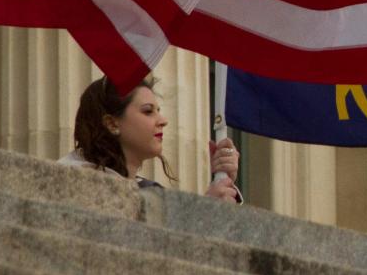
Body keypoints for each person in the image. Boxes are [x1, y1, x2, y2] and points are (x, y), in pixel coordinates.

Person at [58, 76, 241, 203]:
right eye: (148, 111)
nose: (163, 121)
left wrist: (222, 181)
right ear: (112, 123)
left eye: (158, 111)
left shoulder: (152, 193)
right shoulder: (71, 181)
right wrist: (207, 209)